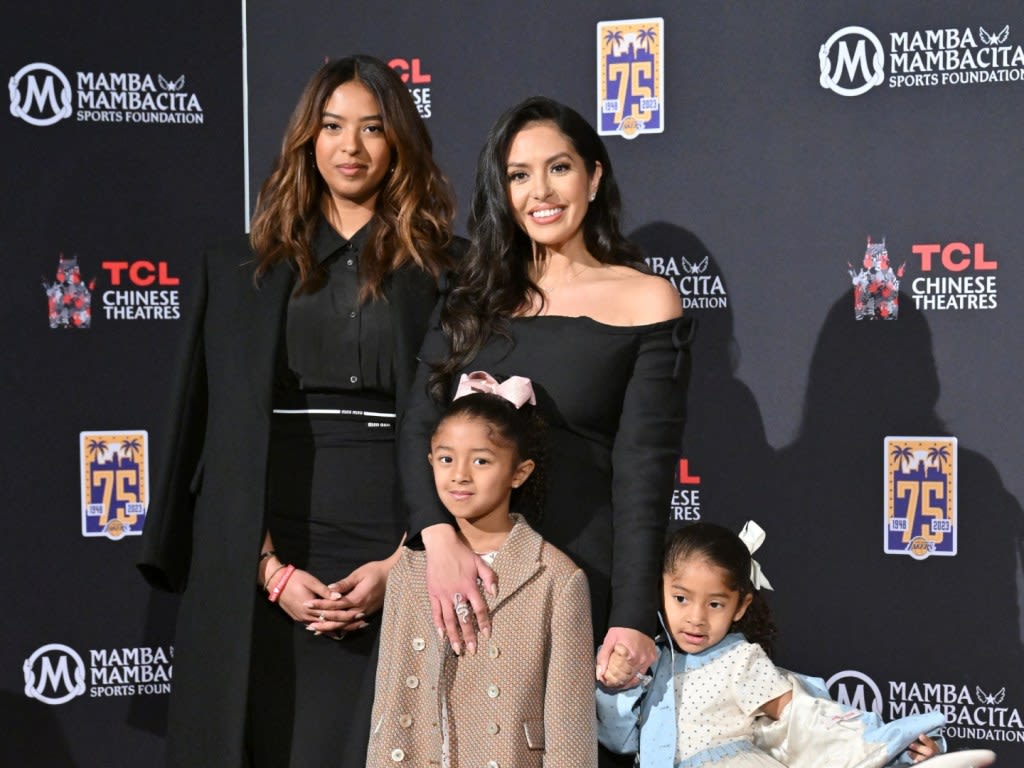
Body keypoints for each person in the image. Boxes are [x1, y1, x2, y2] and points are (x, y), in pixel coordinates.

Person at [137, 55, 459, 768]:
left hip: (398, 548)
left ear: (400, 141)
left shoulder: (450, 272)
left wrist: (400, 567)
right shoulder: (237, 267)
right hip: (264, 556)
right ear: (306, 141)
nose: (351, 147)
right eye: (332, 126)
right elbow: (208, 435)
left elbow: (472, 439)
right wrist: (270, 573)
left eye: (372, 128)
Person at [398, 96, 692, 710]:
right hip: (465, 581)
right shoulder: (471, 296)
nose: (541, 191)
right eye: (518, 175)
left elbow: (645, 471)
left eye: (559, 168)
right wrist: (438, 541)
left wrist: (634, 614)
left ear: (594, 175)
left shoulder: (647, 300)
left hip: (580, 576)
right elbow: (418, 428)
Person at [368, 373, 596, 767]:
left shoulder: (556, 577)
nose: (460, 474)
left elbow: (570, 725)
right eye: (446, 458)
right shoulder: (410, 566)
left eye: (481, 460)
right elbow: (389, 698)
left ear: (519, 472)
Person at [596, 521, 947, 767]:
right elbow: (621, 741)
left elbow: (809, 719)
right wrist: (619, 685)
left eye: (715, 604)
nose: (696, 618)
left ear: (740, 606)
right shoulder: (652, 659)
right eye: (681, 598)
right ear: (659, 590)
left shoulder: (740, 661)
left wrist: (896, 746)